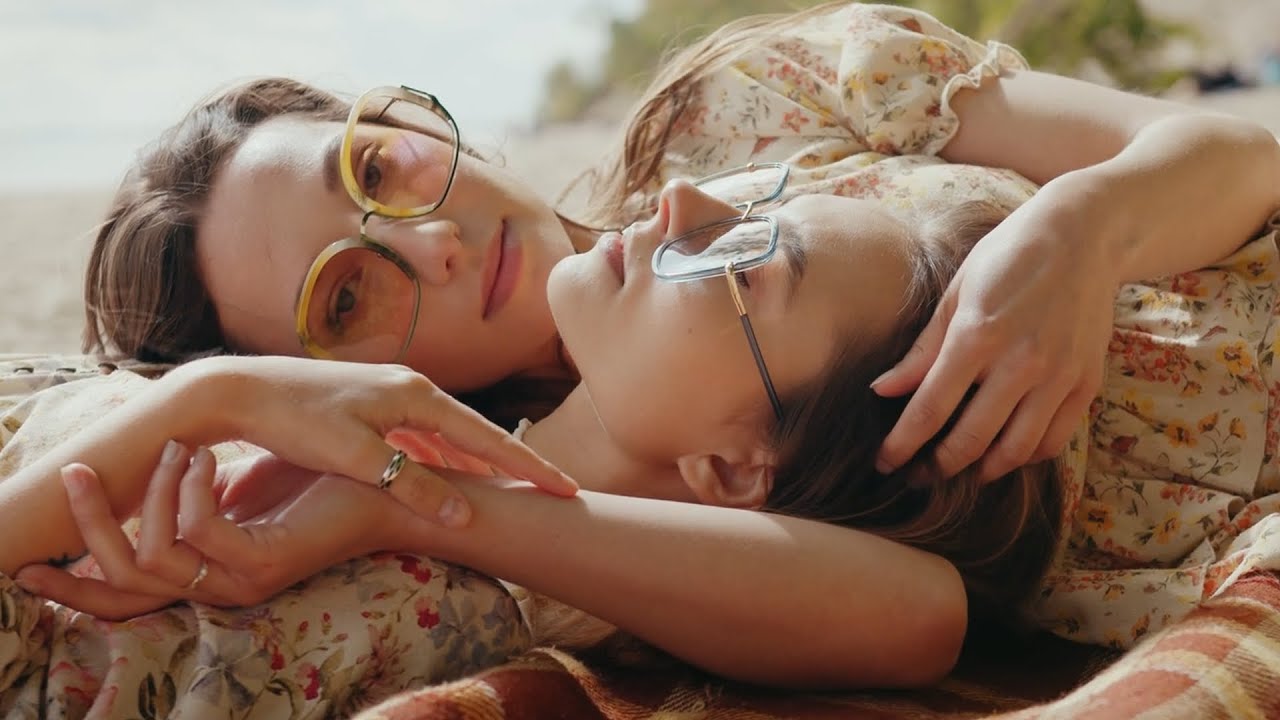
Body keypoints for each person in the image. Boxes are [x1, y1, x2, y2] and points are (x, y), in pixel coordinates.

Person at [7, 0, 1278, 696]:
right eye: (346, 299)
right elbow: (913, 613)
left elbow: (1240, 157)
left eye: (378, 169)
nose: (432, 241)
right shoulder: (597, 474)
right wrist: (271, 426)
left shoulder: (742, 114)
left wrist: (1082, 228)